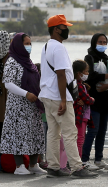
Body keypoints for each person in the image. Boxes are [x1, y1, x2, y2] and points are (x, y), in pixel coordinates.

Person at [39, 15, 97, 178]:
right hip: (58, 96)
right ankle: (77, 167)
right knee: (70, 132)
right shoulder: (58, 47)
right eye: (64, 27)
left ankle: (54, 166)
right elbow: (61, 74)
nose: (67, 29)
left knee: (53, 132)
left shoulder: (46, 46)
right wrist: (64, 100)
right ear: (56, 29)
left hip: (47, 94)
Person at [0, 33, 47, 175]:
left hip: (32, 105)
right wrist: (26, 93)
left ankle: (34, 164)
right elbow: (8, 83)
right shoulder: (12, 61)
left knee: (34, 133)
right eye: (26, 43)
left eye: (30, 43)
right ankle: (19, 166)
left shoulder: (29, 62)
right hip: (18, 105)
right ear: (18, 45)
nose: (29, 46)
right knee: (18, 135)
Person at [82, 33, 108, 169]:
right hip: (93, 97)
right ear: (94, 42)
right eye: (100, 42)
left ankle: (99, 159)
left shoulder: (106, 59)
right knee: (93, 130)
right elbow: (89, 76)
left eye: (104, 42)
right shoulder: (89, 57)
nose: (102, 44)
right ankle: (84, 159)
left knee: (102, 130)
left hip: (105, 97)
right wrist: (106, 76)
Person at [72, 59, 95, 165]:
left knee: (80, 138)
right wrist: (92, 99)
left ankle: (78, 160)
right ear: (79, 73)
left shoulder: (82, 84)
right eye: (85, 71)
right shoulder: (78, 85)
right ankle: (78, 161)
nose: (87, 74)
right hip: (80, 116)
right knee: (80, 139)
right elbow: (87, 100)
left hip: (84, 116)